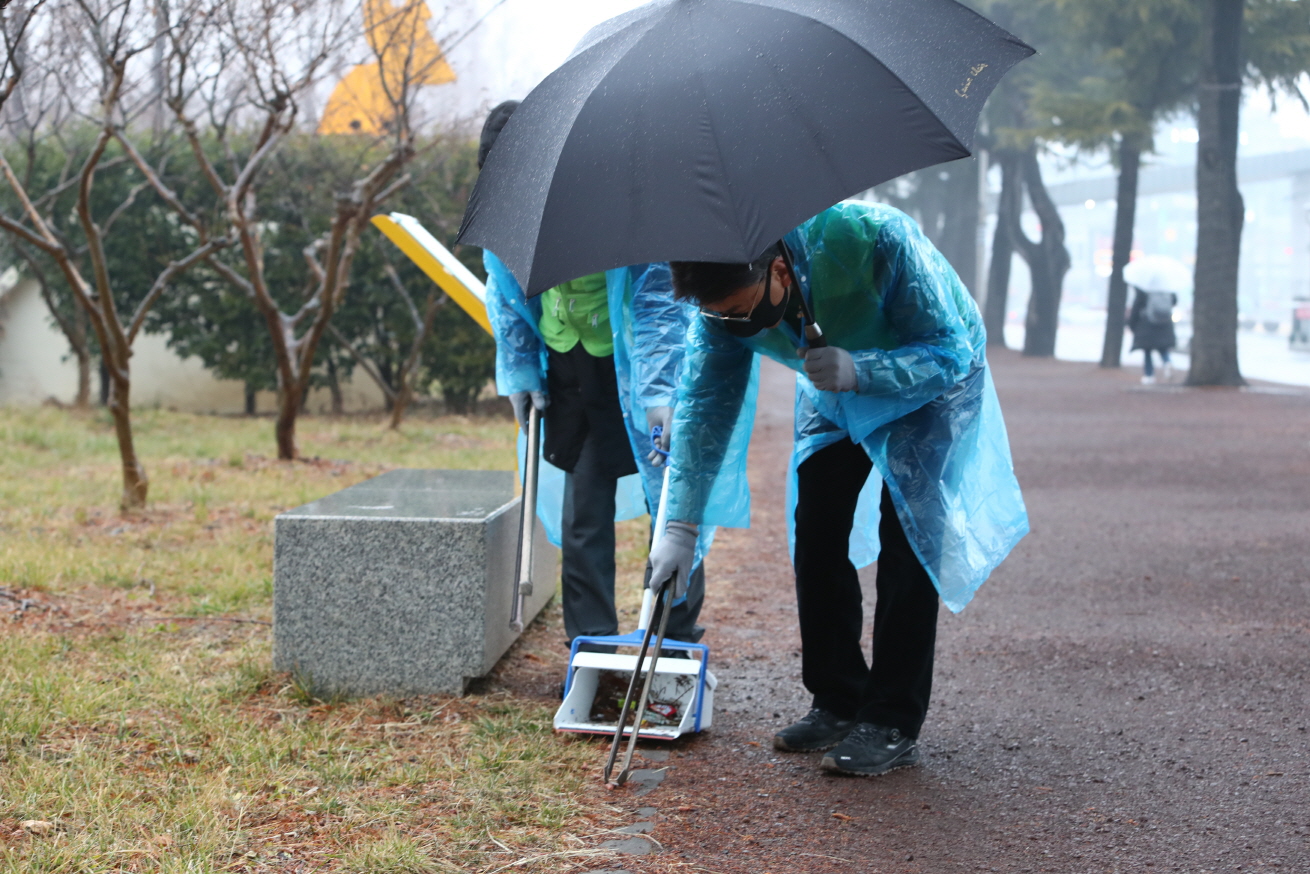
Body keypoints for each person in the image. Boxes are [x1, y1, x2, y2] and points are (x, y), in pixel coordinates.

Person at [647, 201, 1028, 776]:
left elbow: (950, 349)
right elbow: (704, 410)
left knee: (909, 541)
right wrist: (679, 525)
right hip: (832, 386)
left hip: (929, 385)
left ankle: (893, 719)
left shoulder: (874, 239)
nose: (734, 326)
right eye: (718, 317)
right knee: (818, 527)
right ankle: (838, 696)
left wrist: (863, 370)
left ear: (776, 273)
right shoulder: (721, 305)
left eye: (740, 312)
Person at [477, 101, 708, 648]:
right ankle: (593, 642)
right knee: (584, 506)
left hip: (634, 364)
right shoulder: (507, 209)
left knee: (670, 504)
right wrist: (518, 370)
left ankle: (671, 638)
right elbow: (503, 288)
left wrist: (659, 391)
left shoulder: (615, 194)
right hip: (569, 369)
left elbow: (659, 295)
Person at [1127, 284, 1177, 384]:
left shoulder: (1144, 288)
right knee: (1163, 348)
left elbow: (1136, 307)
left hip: (1146, 323)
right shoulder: (1167, 287)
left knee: (1147, 351)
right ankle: (1167, 362)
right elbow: (1174, 301)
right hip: (1165, 323)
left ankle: (1149, 376)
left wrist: (1131, 324)